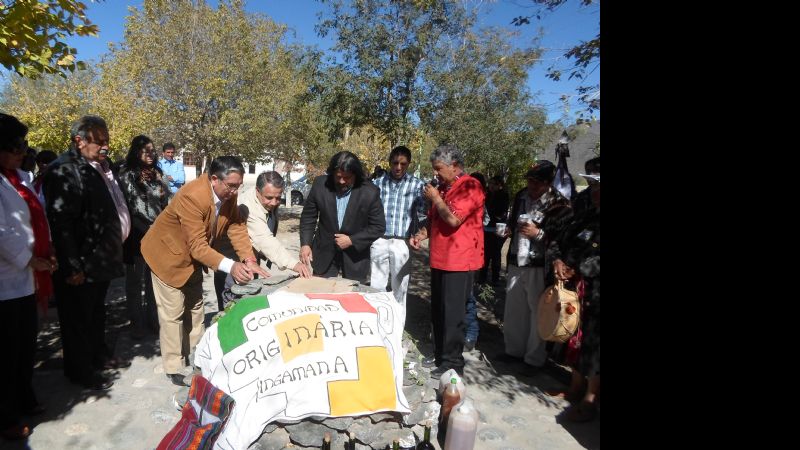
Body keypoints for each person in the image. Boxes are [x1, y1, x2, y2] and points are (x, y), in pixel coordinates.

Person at [141, 156, 269, 386]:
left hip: (191, 259)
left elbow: (236, 225)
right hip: (166, 256)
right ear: (214, 179)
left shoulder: (227, 191)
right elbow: (198, 246)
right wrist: (232, 266)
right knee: (173, 313)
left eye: (237, 186)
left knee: (195, 307)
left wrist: (248, 258)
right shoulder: (192, 196)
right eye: (231, 186)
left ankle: (200, 358)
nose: (234, 191)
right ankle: (175, 368)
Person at [43, 115, 131, 392]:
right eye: (99, 141)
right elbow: (62, 222)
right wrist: (72, 266)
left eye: (107, 140)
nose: (105, 146)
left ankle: (98, 355)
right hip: (82, 261)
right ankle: (80, 371)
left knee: (95, 314)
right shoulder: (65, 170)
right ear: (79, 141)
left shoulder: (99, 166)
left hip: (101, 258)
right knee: (77, 320)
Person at [0, 113, 54, 440]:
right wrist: (31, 260)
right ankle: (5, 415)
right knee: (5, 353)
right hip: (6, 281)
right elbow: (3, 233)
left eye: (24, 145)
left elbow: (38, 219)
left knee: (24, 347)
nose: (23, 151)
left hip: (25, 280)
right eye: (15, 145)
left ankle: (23, 397)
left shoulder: (17, 177)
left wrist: (46, 255)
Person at [409, 145, 484, 377]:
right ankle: (441, 355)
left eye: (439, 169)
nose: (435, 174)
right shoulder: (443, 187)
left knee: (453, 314)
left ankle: (453, 363)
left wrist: (435, 198)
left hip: (460, 261)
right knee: (439, 311)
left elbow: (452, 220)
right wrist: (422, 235)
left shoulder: (470, 185)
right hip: (439, 259)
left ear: (454, 166)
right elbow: (435, 221)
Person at [496, 161, 572, 376]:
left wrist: (538, 235)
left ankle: (534, 359)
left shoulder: (559, 205)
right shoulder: (521, 196)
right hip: (516, 261)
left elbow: (562, 240)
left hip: (540, 265)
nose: (531, 185)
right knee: (514, 309)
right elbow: (512, 222)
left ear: (548, 183)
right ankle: (513, 351)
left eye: (536, 182)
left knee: (537, 313)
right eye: (529, 180)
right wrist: (507, 231)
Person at [213, 170, 311, 311]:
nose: (274, 202)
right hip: (232, 262)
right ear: (257, 191)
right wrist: (294, 264)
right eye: (269, 197)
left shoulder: (266, 201)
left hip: (250, 259)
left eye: (278, 198)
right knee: (233, 307)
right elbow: (264, 239)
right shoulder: (247, 206)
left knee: (251, 302)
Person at [548, 172, 600, 422]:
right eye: (592, 186)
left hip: (596, 292)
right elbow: (561, 241)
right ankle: (575, 387)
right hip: (576, 288)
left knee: (594, 342)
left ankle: (590, 400)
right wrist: (559, 260)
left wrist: (579, 268)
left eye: (598, 187)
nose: (595, 192)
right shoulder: (586, 216)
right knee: (575, 337)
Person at [299, 151, 385, 283]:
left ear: (356, 174)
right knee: (321, 296)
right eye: (338, 176)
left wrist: (352, 240)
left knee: (351, 299)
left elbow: (378, 227)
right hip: (324, 254)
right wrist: (305, 244)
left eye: (347, 177)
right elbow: (308, 217)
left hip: (355, 258)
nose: (341, 181)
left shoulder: (370, 192)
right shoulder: (320, 185)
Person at [118, 135, 172, 339]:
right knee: (134, 282)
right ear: (136, 152)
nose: (150, 154)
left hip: (158, 234)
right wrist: (149, 228)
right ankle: (137, 322)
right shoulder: (127, 174)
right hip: (136, 235)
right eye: (145, 151)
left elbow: (167, 201)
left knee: (153, 281)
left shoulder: (158, 173)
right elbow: (131, 207)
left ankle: (153, 319)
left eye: (152, 150)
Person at [370, 145, 426, 312]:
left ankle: (397, 324)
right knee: (376, 285)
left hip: (402, 242)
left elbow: (423, 214)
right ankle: (376, 322)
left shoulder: (417, 186)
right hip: (379, 239)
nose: (398, 167)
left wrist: (419, 234)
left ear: (409, 164)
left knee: (400, 286)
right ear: (389, 162)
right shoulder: (377, 184)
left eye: (403, 163)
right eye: (395, 163)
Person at [479, 175, 509, 286]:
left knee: (496, 254)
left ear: (499, 185)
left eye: (494, 184)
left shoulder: (503, 195)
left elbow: (502, 212)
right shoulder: (487, 194)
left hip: (497, 228)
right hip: (487, 227)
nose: (491, 186)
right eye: (490, 183)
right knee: (485, 253)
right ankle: (482, 276)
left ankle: (495, 278)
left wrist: (494, 215)